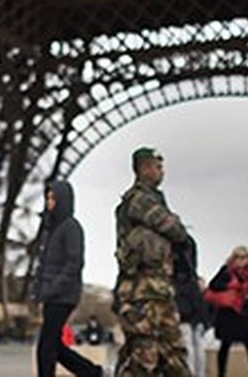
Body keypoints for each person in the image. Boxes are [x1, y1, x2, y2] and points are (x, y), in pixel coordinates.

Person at [113, 147, 191, 376]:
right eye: (158, 166)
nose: (162, 172)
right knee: (145, 357)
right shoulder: (139, 200)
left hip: (158, 291)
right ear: (144, 168)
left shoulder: (151, 200)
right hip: (142, 292)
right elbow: (176, 230)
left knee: (173, 355)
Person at [32, 180, 103, 377]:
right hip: (52, 294)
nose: (49, 203)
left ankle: (93, 372)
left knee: (46, 347)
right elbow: (45, 264)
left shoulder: (71, 228)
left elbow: (74, 263)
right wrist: (40, 289)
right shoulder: (52, 228)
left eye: (53, 198)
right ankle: (93, 373)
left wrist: (52, 287)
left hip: (63, 295)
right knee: (53, 345)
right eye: (47, 198)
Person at [208, 246, 248, 377]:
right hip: (228, 314)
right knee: (225, 345)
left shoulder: (247, 274)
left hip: (244, 314)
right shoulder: (226, 271)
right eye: (238, 257)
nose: (241, 260)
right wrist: (231, 287)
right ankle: (221, 374)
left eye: (244, 257)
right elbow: (214, 285)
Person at [173, 235, 210, 377]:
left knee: (188, 347)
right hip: (195, 303)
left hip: (183, 304)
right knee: (198, 345)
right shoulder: (192, 275)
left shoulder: (176, 271)